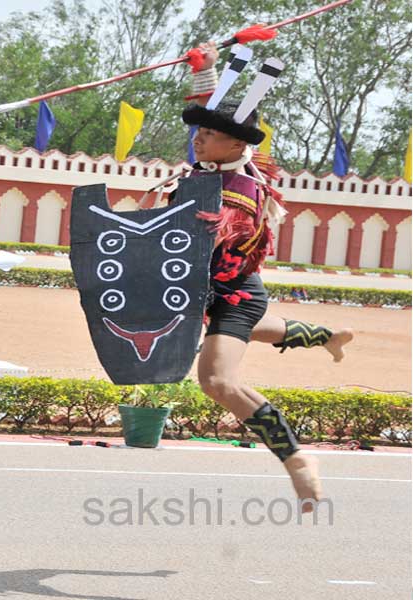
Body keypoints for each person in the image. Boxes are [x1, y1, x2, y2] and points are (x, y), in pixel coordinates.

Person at [174, 42, 329, 511]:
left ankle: (297, 459)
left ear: (237, 145)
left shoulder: (236, 194)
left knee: (218, 380)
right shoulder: (220, 165)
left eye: (207, 136)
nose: (197, 141)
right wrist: (206, 69)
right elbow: (223, 111)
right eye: (197, 134)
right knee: (252, 332)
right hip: (222, 295)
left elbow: (204, 248)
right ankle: (328, 334)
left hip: (233, 295)